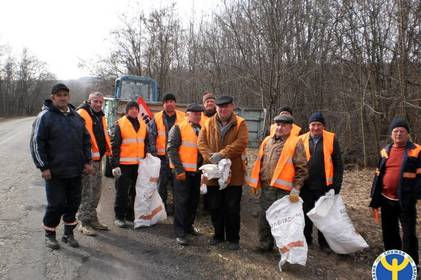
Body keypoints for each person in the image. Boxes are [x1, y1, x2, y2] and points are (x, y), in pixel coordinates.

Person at [30, 83, 93, 249]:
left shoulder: (76, 117)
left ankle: (68, 234)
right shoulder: (44, 117)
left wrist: (87, 161)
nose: (63, 97)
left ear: (69, 97)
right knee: (56, 205)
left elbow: (86, 140)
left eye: (65, 95)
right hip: (55, 172)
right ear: (53, 98)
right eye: (59, 95)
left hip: (75, 171)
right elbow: (37, 143)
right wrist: (43, 167)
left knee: (73, 203)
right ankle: (50, 234)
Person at [249, 114, 308, 252]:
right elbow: (260, 163)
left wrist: (296, 188)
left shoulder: (296, 142)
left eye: (284, 125)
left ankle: (283, 248)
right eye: (278, 125)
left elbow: (302, 169)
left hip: (284, 190)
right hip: (267, 187)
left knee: (282, 221)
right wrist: (256, 183)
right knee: (264, 217)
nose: (280, 128)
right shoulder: (267, 141)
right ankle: (265, 244)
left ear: (290, 127)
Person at [197, 96, 248, 250]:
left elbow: (241, 143)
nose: (222, 109)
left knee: (232, 207)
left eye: (226, 106)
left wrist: (223, 154)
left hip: (234, 173)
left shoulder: (241, 123)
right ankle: (218, 235)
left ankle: (233, 239)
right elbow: (201, 142)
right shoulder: (207, 122)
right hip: (213, 172)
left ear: (232, 107)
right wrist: (210, 157)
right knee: (215, 205)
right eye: (220, 107)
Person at [369, 117, 421, 265]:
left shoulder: (416, 151)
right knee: (389, 233)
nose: (398, 134)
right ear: (391, 134)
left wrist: (414, 195)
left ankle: (412, 265)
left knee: (409, 234)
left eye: (402, 131)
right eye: (395, 131)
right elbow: (378, 174)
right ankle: (394, 264)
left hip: (406, 201)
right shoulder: (385, 151)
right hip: (386, 199)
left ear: (408, 134)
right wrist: (374, 195)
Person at [299, 112, 343, 251]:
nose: (316, 128)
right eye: (313, 124)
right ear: (309, 125)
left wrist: (336, 186)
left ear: (323, 126)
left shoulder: (331, 138)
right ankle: (306, 240)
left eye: (319, 124)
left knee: (324, 216)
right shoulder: (301, 139)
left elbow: (338, 164)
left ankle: (324, 244)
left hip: (324, 186)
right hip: (305, 185)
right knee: (305, 214)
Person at [167, 103, 204, 246]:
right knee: (181, 203)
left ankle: (188, 226)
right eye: (195, 114)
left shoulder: (201, 129)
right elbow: (171, 149)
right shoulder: (178, 128)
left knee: (193, 201)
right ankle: (180, 232)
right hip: (182, 173)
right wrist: (179, 170)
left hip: (197, 172)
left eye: (199, 114)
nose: (198, 116)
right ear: (187, 114)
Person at [76, 92, 111, 236]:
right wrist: (85, 161)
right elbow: (77, 140)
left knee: (96, 192)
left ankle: (92, 219)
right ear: (89, 101)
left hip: (98, 159)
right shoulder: (81, 114)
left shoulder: (100, 116)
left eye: (100, 102)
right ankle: (83, 222)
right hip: (87, 161)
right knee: (86, 192)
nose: (98, 104)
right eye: (95, 101)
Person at [111, 101, 148, 228]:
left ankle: (130, 215)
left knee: (135, 191)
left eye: (136, 108)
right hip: (123, 164)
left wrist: (147, 158)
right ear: (127, 111)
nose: (134, 110)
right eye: (131, 108)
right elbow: (115, 147)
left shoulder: (143, 124)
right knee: (122, 192)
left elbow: (146, 143)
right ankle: (119, 216)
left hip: (138, 164)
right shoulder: (120, 124)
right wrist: (115, 165)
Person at [148, 93, 185, 214]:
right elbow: (151, 136)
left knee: (178, 185)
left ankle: (177, 208)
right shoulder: (156, 117)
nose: (169, 103)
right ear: (163, 104)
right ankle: (161, 208)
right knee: (161, 185)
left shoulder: (183, 116)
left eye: (171, 101)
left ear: (175, 103)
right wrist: (154, 154)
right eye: (166, 101)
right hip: (162, 157)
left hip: (177, 158)